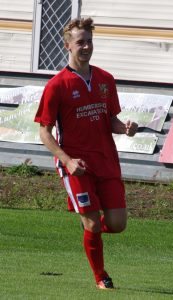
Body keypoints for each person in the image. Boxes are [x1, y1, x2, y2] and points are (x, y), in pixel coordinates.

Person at [34, 17, 138, 290]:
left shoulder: (105, 79)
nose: (86, 46)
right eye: (80, 42)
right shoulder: (57, 85)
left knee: (117, 224)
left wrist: (124, 127)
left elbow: (110, 120)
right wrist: (67, 161)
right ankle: (101, 276)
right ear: (67, 45)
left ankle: (90, 232)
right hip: (76, 164)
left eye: (90, 41)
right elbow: (44, 132)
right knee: (92, 223)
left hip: (106, 161)